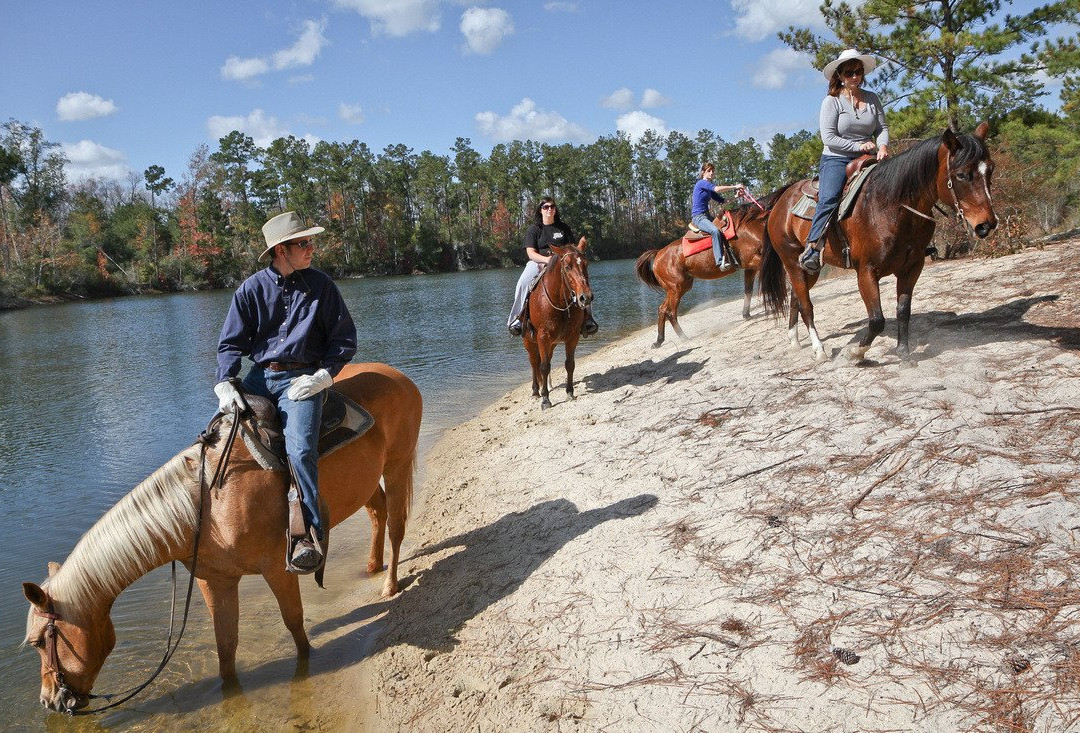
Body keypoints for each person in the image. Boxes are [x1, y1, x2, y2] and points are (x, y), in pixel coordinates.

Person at [214, 211, 357, 572]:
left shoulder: (322, 286)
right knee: (215, 436)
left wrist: (324, 375)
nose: (311, 249)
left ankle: (308, 533)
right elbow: (230, 344)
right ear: (281, 249)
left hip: (303, 378)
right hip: (260, 377)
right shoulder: (250, 290)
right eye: (303, 243)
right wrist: (225, 382)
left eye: (310, 242)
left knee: (301, 448)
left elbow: (343, 339)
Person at [799, 48, 890, 273]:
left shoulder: (872, 98)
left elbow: (882, 128)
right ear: (839, 75)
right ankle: (813, 246)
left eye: (858, 71)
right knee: (829, 197)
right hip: (837, 158)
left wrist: (883, 146)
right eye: (848, 72)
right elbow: (828, 138)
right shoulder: (831, 102)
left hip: (868, 156)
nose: (854, 76)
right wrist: (858, 145)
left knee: (898, 185)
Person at [507, 197, 598, 337]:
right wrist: (547, 260)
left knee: (582, 282)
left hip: (563, 264)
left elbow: (572, 249)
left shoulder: (563, 227)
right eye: (546, 207)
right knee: (522, 284)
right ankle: (518, 319)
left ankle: (588, 318)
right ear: (540, 210)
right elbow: (530, 253)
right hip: (538, 262)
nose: (549, 209)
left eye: (552, 207)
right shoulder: (534, 229)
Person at [691, 163, 745, 270]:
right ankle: (719, 261)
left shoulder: (709, 189)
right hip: (698, 217)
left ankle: (731, 257)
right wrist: (735, 187)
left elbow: (723, 201)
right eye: (708, 171)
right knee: (715, 231)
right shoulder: (701, 183)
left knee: (724, 229)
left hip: (707, 216)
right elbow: (717, 189)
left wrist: (736, 196)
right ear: (703, 172)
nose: (711, 173)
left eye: (712, 171)